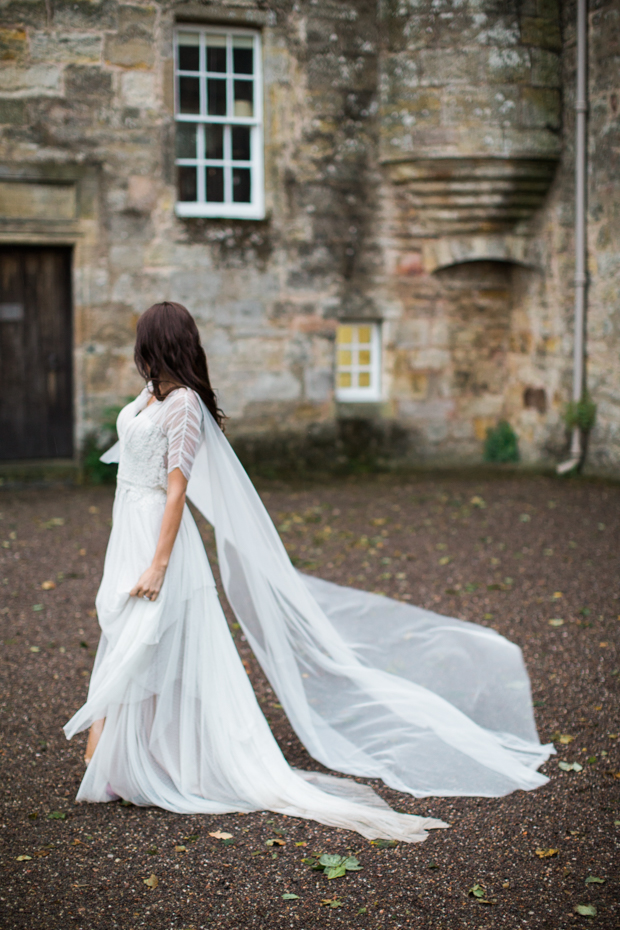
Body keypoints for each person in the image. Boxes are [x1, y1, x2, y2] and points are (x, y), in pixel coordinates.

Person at [64, 301, 552, 842]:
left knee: (142, 637)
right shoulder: (150, 395)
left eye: (143, 339)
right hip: (127, 525)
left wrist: (159, 563)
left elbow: (177, 489)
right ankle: (123, 759)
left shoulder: (183, 407)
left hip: (157, 532)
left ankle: (117, 757)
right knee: (122, 632)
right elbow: (131, 451)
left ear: (157, 343)